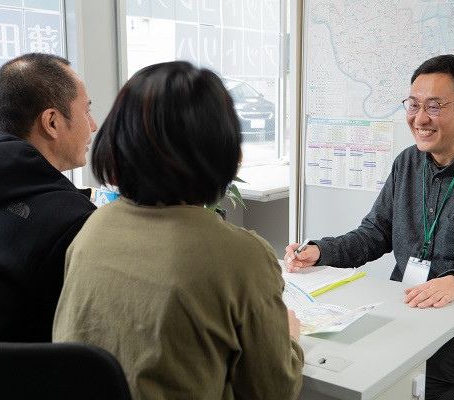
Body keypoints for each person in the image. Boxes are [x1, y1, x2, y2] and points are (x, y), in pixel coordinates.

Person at [284, 54, 454, 399]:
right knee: (326, 369)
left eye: (434, 107)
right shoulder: (407, 162)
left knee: (390, 385)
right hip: (406, 309)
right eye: (413, 105)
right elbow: (375, 234)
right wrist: (321, 250)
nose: (420, 118)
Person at [53, 61, 304, 400]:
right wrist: (289, 337)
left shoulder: (92, 229)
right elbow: (274, 390)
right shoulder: (241, 256)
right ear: (222, 148)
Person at [0, 53, 97, 342]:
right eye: (86, 112)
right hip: (26, 384)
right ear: (51, 122)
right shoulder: (72, 220)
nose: (94, 125)